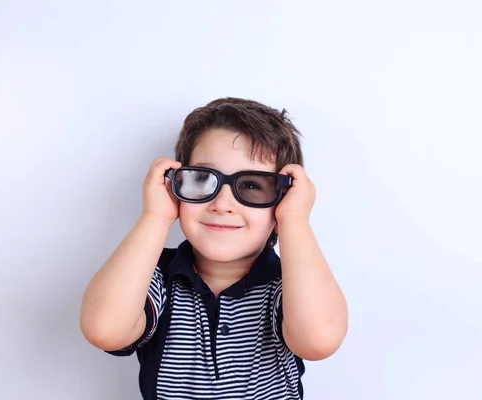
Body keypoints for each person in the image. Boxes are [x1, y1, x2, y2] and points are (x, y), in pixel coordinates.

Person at [80, 97, 349, 400]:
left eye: (251, 185)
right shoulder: (157, 279)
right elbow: (104, 328)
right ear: (175, 187)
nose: (222, 204)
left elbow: (319, 339)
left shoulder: (289, 285)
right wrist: (155, 217)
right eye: (203, 179)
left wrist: (295, 222)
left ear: (283, 199)